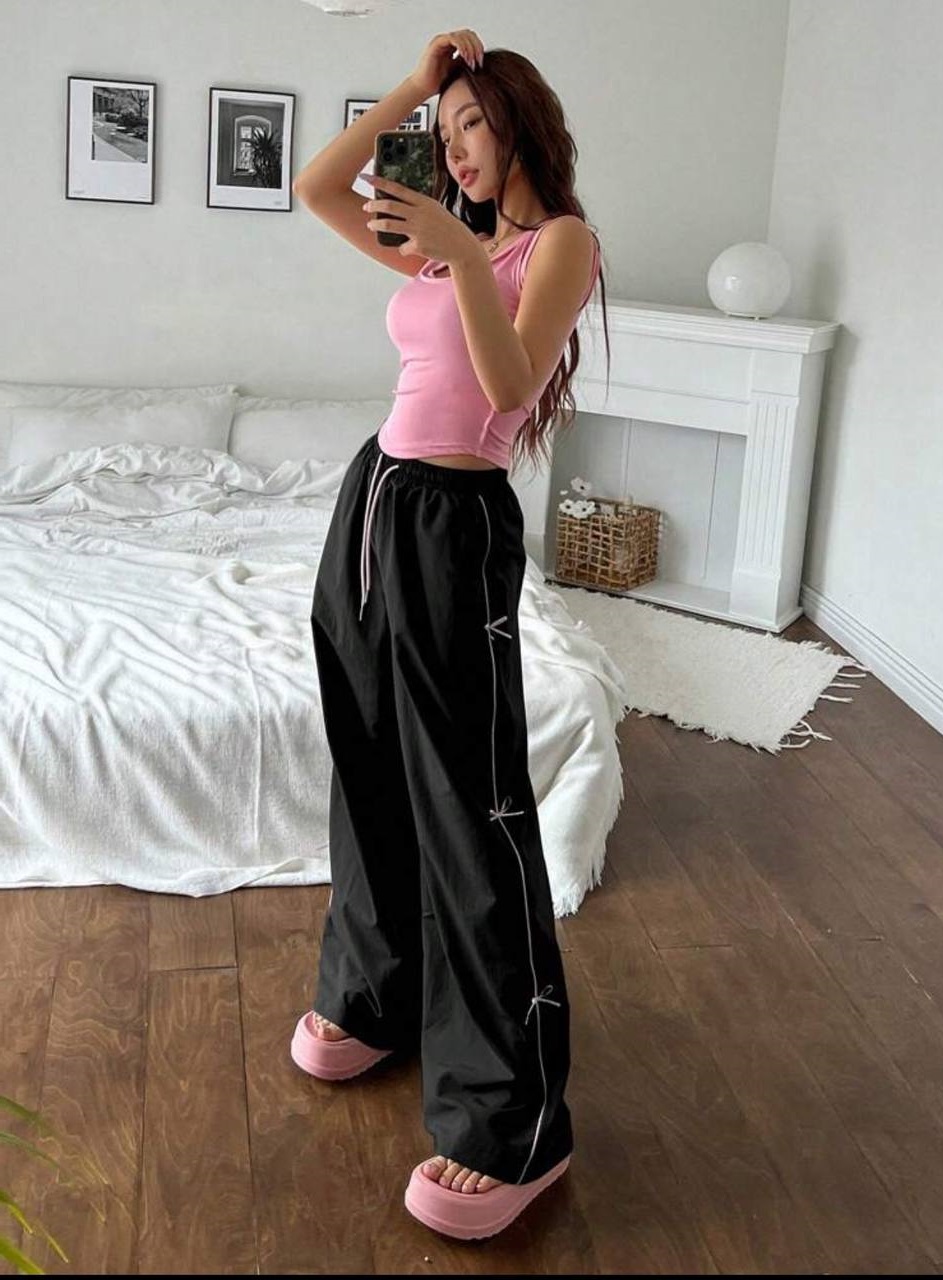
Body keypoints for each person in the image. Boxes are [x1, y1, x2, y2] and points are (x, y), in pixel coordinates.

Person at [288, 28, 607, 1240]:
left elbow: (512, 383)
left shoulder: (554, 242)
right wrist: (413, 89)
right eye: (450, 124)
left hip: (454, 520)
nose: (458, 145)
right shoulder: (436, 239)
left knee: (473, 805)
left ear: (521, 122)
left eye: (475, 120)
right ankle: (376, 995)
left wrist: (466, 253)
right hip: (372, 499)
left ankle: (512, 1122)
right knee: (368, 761)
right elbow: (318, 185)